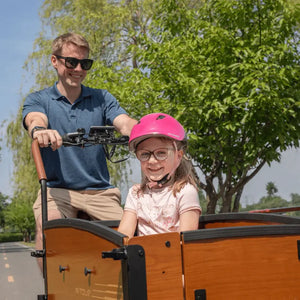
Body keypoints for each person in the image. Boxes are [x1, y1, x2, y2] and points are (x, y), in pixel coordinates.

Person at [22, 32, 137, 267]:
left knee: (131, 240)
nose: (78, 69)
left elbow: (124, 122)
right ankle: (53, 290)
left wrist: (141, 130)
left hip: (99, 192)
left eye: (85, 63)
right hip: (57, 191)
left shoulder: (101, 98)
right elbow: (34, 119)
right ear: (55, 61)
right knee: (49, 227)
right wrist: (40, 130)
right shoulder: (39, 99)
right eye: (71, 62)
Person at [118, 113, 201, 238]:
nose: (152, 161)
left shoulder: (184, 192)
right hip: (142, 256)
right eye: (145, 154)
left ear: (178, 156)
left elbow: (186, 242)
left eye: (161, 153)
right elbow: (124, 237)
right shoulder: (136, 194)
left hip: (173, 256)